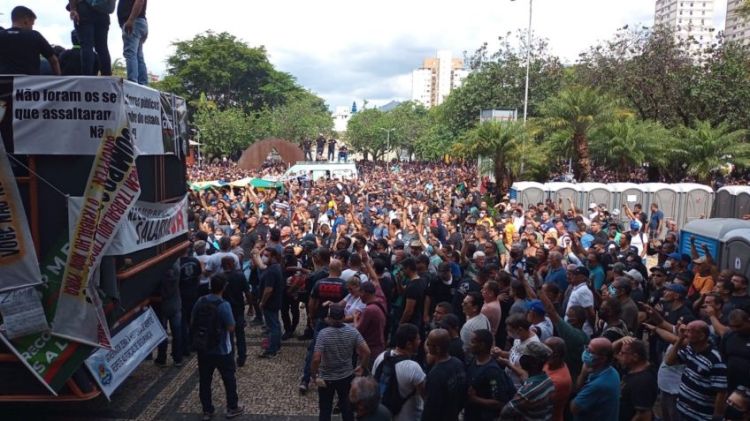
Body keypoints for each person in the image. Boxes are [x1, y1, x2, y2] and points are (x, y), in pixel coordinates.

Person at [191, 274, 244, 420]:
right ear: (224, 287)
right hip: (222, 349)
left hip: (203, 348)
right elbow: (231, 327)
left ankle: (207, 410)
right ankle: (232, 407)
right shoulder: (224, 305)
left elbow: (193, 320)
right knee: (228, 378)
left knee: (205, 379)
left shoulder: (200, 301)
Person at [311, 304, 371, 421]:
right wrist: (362, 366)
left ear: (329, 318)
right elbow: (367, 352)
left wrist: (314, 375)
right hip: (346, 376)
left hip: (327, 377)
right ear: (344, 316)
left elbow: (316, 359)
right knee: (347, 407)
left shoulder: (323, 334)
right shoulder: (352, 332)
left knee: (325, 409)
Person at [665, 320, 728, 420]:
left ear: (702, 336)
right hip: (682, 410)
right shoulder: (690, 349)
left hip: (700, 416)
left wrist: (717, 417)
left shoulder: (715, 360)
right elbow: (669, 361)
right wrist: (680, 339)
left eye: (689, 331)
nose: (686, 334)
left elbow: (721, 393)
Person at [372, 324, 426, 421]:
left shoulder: (381, 357)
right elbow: (425, 394)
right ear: (409, 344)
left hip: (383, 413)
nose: (420, 341)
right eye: (417, 339)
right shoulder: (413, 368)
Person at [465, 329, 516, 421]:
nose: (470, 345)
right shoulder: (474, 360)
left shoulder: (493, 372)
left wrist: (474, 399)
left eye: (473, 342)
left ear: (482, 345)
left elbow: (499, 402)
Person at [500, 341, 556, 421]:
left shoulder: (526, 393)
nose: (521, 358)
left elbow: (505, 412)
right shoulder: (548, 381)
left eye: (524, 356)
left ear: (533, 362)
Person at [422, 328, 467, 421]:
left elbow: (431, 408)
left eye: (429, 344)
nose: (427, 345)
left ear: (437, 349)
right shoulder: (458, 363)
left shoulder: (436, 375)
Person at [0, 6, 60, 75]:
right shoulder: (35, 35)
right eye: (32, 24)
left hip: (3, 83)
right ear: (26, 21)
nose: (32, 27)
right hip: (29, 83)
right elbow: (54, 61)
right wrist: (58, 81)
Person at [570, 337, 620, 420]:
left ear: (603, 358)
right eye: (587, 348)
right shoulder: (611, 371)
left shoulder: (598, 385)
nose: (586, 352)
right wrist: (584, 373)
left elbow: (574, 408)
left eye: (590, 351)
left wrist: (583, 374)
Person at [615, 338, 658, 421]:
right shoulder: (633, 367)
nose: (619, 354)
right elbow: (610, 352)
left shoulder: (642, 381)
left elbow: (644, 416)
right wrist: (620, 341)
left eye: (622, 353)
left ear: (635, 357)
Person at [68, 0, 112, 76]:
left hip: (84, 9)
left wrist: (73, 9)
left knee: (86, 45)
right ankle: (107, 77)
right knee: (102, 48)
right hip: (103, 11)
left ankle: (87, 78)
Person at [221, 256, 250, 367]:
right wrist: (251, 305)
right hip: (238, 309)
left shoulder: (220, 277)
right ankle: (242, 357)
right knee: (240, 334)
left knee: (228, 335)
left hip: (225, 310)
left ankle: (230, 357)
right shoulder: (240, 276)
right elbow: (247, 292)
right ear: (230, 264)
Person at [155, 260, 183, 367]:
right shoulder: (176, 267)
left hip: (162, 306)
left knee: (162, 333)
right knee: (177, 333)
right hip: (175, 304)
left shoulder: (160, 270)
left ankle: (162, 358)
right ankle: (178, 358)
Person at [258, 247, 284, 358]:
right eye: (263, 255)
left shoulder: (271, 271)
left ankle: (271, 350)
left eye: (267, 255)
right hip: (275, 300)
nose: (264, 257)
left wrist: (262, 302)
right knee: (276, 324)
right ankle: (276, 345)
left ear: (274, 257)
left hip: (270, 302)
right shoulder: (275, 267)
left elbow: (268, 289)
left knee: (272, 326)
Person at [117, 0, 148, 85]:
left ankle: (133, 82)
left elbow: (140, 1)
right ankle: (143, 83)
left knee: (130, 53)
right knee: (138, 55)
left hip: (134, 21)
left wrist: (131, 19)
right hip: (139, 21)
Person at [542, 337, 571, 421]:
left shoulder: (559, 381)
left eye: (545, 350)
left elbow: (537, 401)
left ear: (555, 355)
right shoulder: (552, 363)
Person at [460, 291, 491, 358]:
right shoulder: (484, 318)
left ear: (475, 308)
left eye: (465, 303)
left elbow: (464, 349)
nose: (462, 304)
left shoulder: (468, 327)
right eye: (463, 302)